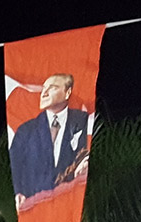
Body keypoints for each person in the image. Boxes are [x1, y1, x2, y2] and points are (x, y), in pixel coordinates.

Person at [8, 73, 90, 206]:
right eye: (43, 88)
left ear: (67, 92)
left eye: (52, 88)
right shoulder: (26, 130)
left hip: (72, 204)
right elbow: (15, 163)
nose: (44, 93)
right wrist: (19, 192)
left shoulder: (84, 121)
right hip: (36, 206)